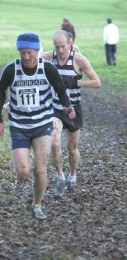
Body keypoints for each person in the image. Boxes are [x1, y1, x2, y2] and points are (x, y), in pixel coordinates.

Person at [0, 32, 76, 220]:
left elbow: (60, 89)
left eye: (29, 52)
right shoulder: (11, 69)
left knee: (40, 170)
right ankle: (26, 155)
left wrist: (68, 106)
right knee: (23, 173)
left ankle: (37, 204)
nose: (26, 57)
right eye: (22, 52)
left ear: (37, 51)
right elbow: (0, 93)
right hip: (19, 126)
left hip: (42, 125)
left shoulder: (47, 68)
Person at [41, 30, 101, 198]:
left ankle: (72, 176)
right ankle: (60, 176)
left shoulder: (79, 59)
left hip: (74, 108)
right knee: (54, 143)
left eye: (63, 46)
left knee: (72, 148)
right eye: (56, 46)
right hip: (55, 108)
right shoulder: (48, 57)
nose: (60, 50)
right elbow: (33, 65)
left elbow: (97, 82)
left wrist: (75, 82)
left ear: (70, 43)